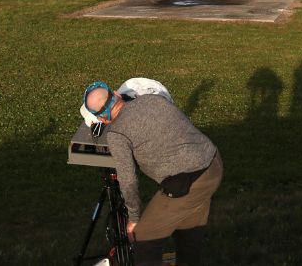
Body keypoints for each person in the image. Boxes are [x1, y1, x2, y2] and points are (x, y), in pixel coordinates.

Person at [84, 80, 222, 266]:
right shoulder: (151, 99)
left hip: (187, 181)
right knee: (189, 231)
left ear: (102, 119)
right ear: (116, 94)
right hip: (212, 163)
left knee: (145, 238)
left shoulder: (116, 134)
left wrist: (134, 219)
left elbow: (128, 181)